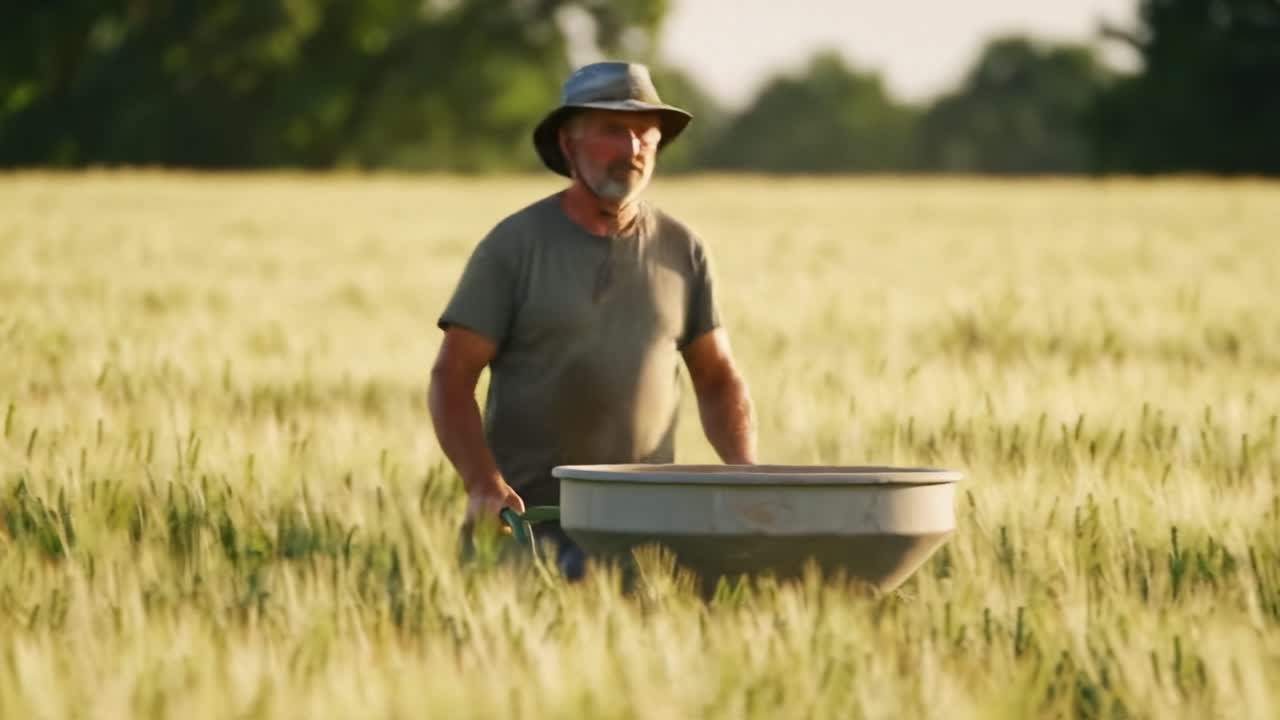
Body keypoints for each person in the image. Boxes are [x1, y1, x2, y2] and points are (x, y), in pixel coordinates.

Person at [428, 61, 757, 578]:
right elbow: (451, 376)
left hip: (649, 531)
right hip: (528, 527)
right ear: (568, 143)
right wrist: (482, 481)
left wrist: (743, 470)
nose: (632, 150)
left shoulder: (682, 249)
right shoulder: (514, 247)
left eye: (644, 134)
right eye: (612, 131)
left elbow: (715, 375)